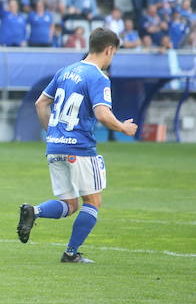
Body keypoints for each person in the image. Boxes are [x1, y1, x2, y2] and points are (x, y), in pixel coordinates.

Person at [17, 28, 138, 263]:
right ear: (109, 49)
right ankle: (71, 253)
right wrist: (123, 128)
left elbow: (41, 103)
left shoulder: (65, 71)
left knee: (70, 204)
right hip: (80, 148)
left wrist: (51, 132)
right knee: (93, 201)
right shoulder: (98, 77)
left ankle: (35, 211)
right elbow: (102, 114)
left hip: (55, 146)